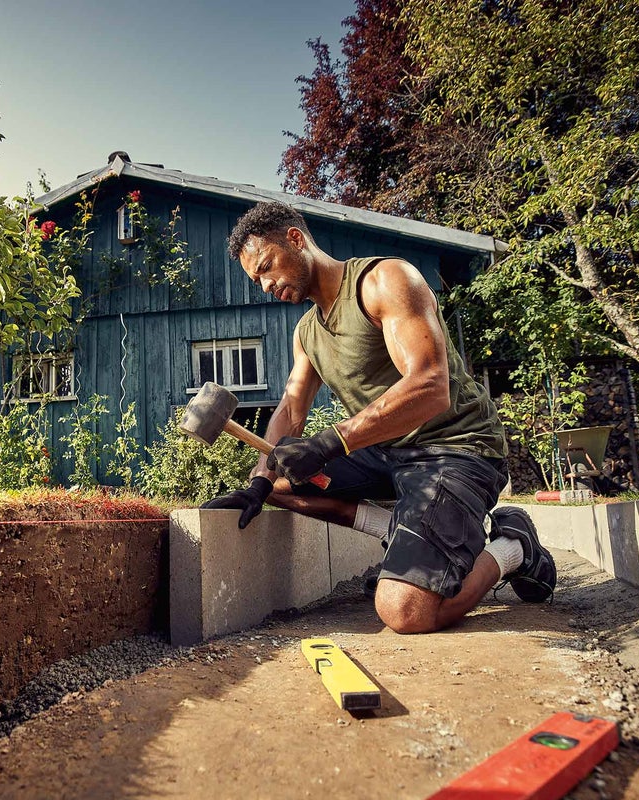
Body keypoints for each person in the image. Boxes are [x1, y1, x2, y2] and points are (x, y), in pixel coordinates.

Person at [202, 202, 555, 634]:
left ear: (296, 239)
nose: (266, 284)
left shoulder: (384, 281)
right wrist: (257, 483)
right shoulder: (308, 333)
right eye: (257, 279)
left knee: (405, 611)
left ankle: (512, 547)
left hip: (455, 449)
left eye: (268, 267)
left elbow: (429, 385)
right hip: (389, 456)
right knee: (279, 482)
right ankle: (396, 527)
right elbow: (292, 408)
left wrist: (332, 441)